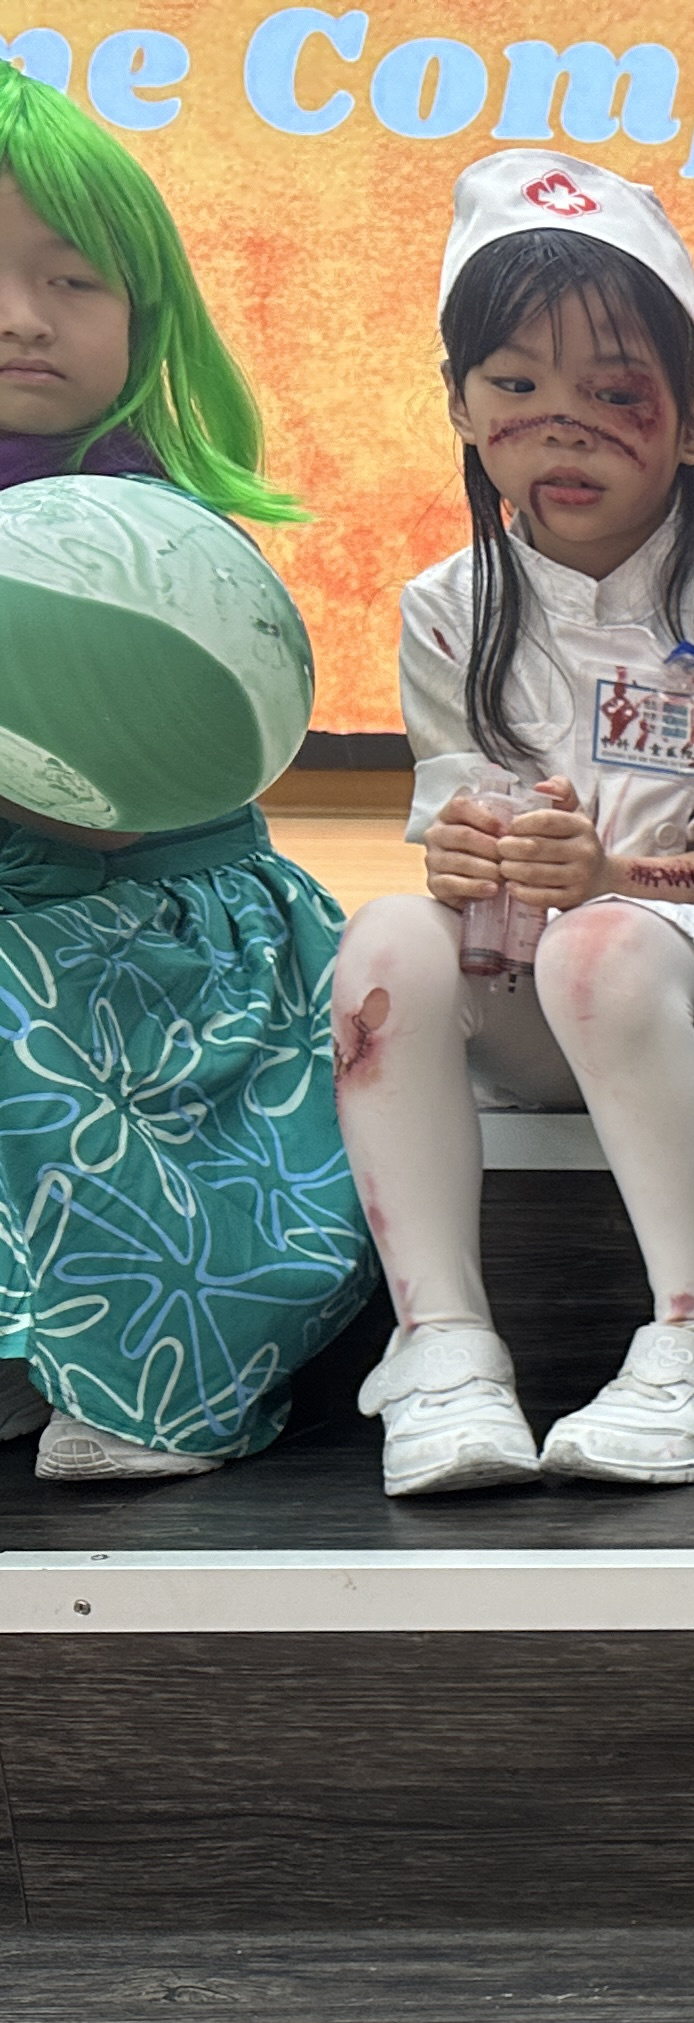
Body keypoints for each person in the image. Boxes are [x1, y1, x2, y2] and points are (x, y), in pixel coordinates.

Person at [326, 153, 694, 1497]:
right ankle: (443, 1348)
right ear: (458, 403)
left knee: (599, 946)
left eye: (612, 393)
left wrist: (613, 875)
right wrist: (459, 857)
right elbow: (455, 813)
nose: (562, 431)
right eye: (514, 387)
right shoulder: (447, 609)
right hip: (521, 1013)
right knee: (383, 941)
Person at [0, 71, 369, 1482]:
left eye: (73, 280)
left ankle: (135, 1365)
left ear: (145, 316)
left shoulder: (140, 531)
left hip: (143, 938)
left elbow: (105, 796)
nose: (25, 316)